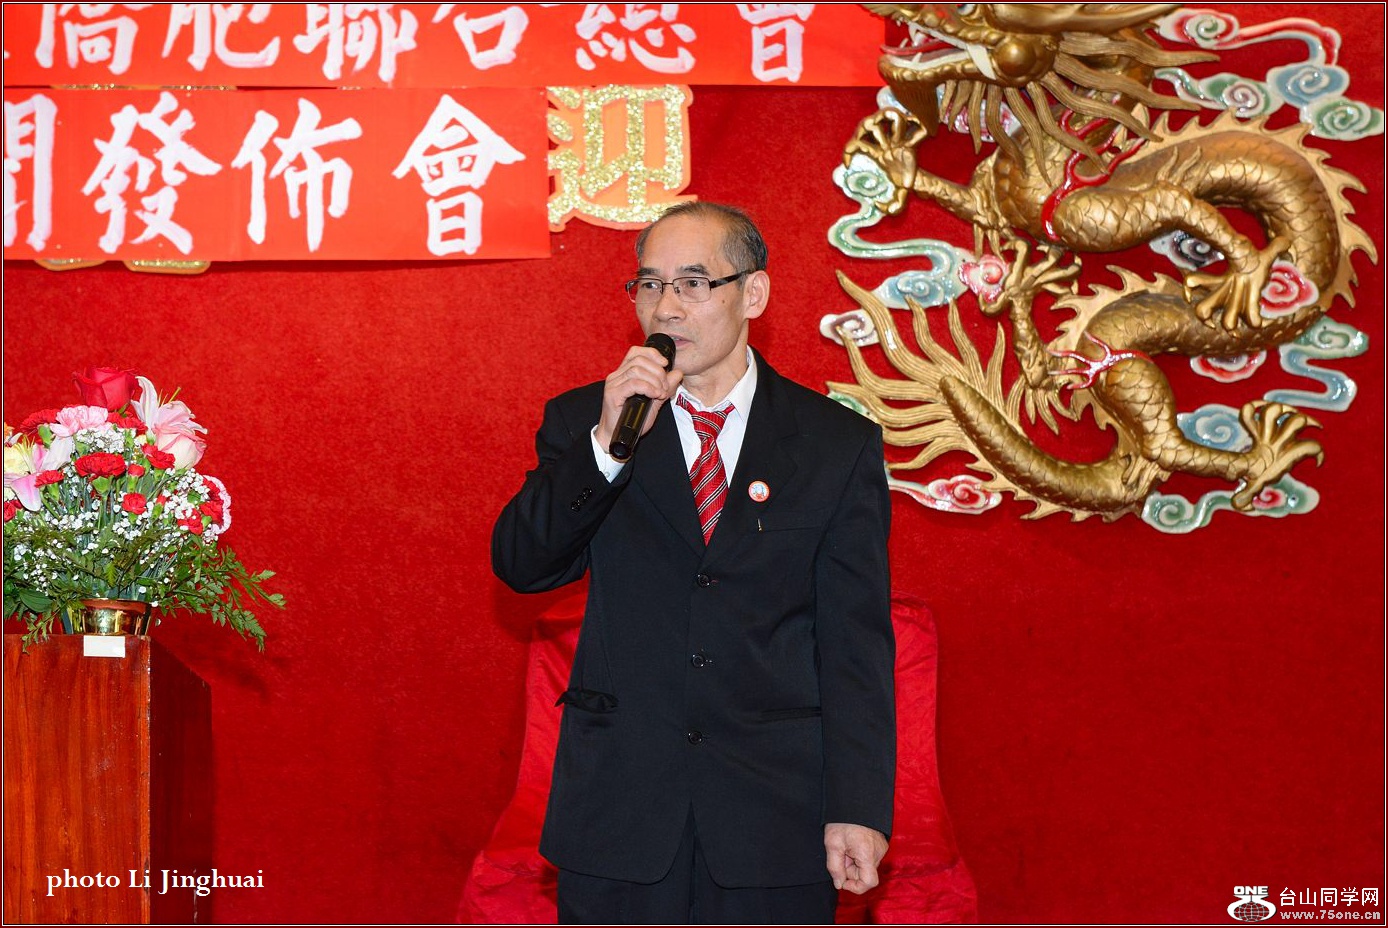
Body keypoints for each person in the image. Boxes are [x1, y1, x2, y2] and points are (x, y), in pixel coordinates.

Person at [492, 201, 895, 924]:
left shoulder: (835, 444)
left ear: (754, 293)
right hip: (620, 808)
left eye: (693, 283)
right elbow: (524, 565)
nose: (667, 306)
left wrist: (858, 807)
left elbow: (854, 644)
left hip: (774, 813)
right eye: (650, 285)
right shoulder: (588, 420)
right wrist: (605, 447)